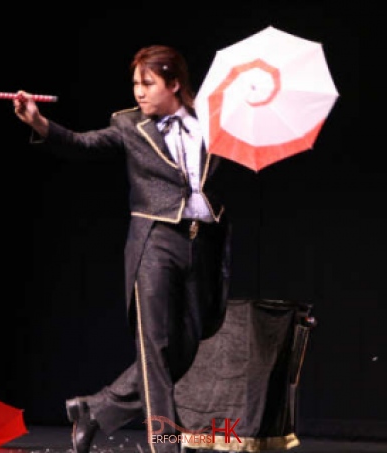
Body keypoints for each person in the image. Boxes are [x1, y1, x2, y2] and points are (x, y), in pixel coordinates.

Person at [13, 45, 235, 453]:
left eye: (147, 83)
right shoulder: (129, 126)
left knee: (184, 348)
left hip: (200, 241)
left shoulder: (211, 123)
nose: (139, 92)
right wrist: (42, 125)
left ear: (174, 84)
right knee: (155, 350)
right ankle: (167, 443)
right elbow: (84, 144)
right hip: (153, 241)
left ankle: (95, 409)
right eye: (135, 83)